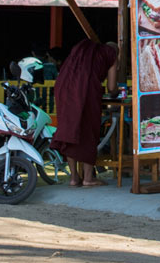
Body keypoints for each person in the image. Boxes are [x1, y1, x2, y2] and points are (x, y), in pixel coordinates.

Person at [50, 39, 119, 187]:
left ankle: (74, 178)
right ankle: (88, 178)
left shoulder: (84, 49)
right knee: (89, 131)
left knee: (69, 130)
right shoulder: (111, 54)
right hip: (86, 90)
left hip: (64, 87)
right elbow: (112, 87)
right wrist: (116, 92)